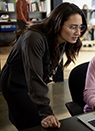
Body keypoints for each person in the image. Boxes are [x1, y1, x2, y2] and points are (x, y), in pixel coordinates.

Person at [0, 2, 87, 130]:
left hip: (31, 80)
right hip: (15, 82)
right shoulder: (34, 38)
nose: (78, 32)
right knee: (33, 122)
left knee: (35, 119)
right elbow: (34, 77)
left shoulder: (62, 39)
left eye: (80, 27)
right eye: (73, 27)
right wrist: (46, 112)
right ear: (58, 24)